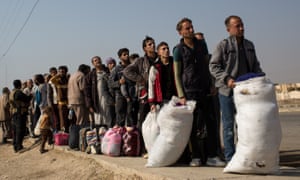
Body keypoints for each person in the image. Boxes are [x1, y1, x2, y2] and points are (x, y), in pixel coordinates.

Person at [209, 15, 264, 162]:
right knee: (228, 127)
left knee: (245, 125)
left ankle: (244, 156)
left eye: (242, 25)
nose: (241, 28)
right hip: (227, 91)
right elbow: (213, 66)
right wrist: (227, 78)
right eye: (237, 26)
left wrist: (261, 78)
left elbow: (255, 65)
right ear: (229, 29)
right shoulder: (223, 45)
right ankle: (230, 158)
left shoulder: (249, 45)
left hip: (246, 92)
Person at [173, 18, 224, 167]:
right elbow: (177, 74)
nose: (191, 30)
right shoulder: (178, 50)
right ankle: (195, 156)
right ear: (180, 32)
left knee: (211, 122)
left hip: (205, 89)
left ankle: (212, 156)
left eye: (191, 27)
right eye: (187, 28)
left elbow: (208, 64)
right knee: (193, 125)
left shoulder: (202, 45)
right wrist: (181, 95)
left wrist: (212, 83)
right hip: (189, 92)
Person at [123, 36, 157, 156]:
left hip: (158, 94)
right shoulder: (141, 61)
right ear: (144, 48)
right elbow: (127, 71)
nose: (152, 46)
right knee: (143, 121)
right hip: (145, 95)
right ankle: (143, 148)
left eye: (153, 43)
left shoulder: (159, 59)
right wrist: (140, 79)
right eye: (149, 44)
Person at [85, 56, 114, 129]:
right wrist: (89, 105)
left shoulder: (108, 72)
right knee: (98, 120)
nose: (97, 61)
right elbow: (87, 91)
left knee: (109, 117)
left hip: (108, 98)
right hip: (96, 100)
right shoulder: (90, 76)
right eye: (95, 60)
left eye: (99, 60)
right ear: (93, 63)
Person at [148, 41, 177, 111]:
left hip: (175, 97)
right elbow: (151, 85)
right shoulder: (155, 67)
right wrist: (152, 103)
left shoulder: (175, 63)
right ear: (158, 52)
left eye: (167, 48)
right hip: (162, 99)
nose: (166, 50)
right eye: (163, 49)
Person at [109, 48, 131, 128]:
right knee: (120, 119)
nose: (127, 56)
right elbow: (110, 83)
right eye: (124, 54)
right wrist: (119, 82)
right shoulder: (116, 69)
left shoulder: (132, 67)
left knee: (131, 118)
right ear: (119, 57)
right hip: (120, 96)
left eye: (127, 54)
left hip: (131, 96)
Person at [9, 79, 32, 152]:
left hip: (14, 113)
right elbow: (27, 99)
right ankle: (19, 146)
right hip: (20, 113)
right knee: (20, 130)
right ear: (19, 85)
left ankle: (15, 145)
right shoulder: (19, 92)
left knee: (15, 130)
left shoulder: (12, 92)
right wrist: (31, 95)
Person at [50, 66, 69, 132]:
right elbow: (51, 80)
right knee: (62, 120)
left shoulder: (68, 79)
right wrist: (57, 75)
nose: (61, 73)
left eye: (63, 72)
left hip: (69, 103)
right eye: (60, 71)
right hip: (61, 103)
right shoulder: (57, 81)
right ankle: (63, 133)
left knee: (69, 119)